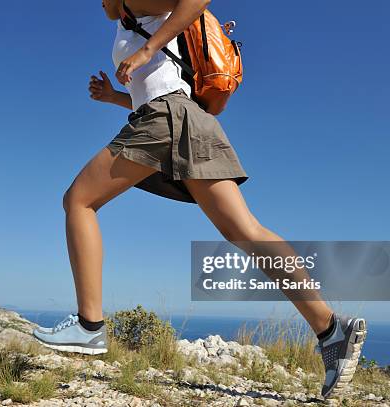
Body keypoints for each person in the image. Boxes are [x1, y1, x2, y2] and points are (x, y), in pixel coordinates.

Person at [32, 0, 367, 399]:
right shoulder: (128, 20)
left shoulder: (133, 5)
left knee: (79, 201)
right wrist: (113, 97)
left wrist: (146, 48)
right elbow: (163, 85)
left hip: (168, 118)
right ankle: (331, 330)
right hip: (187, 119)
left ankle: (89, 326)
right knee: (246, 231)